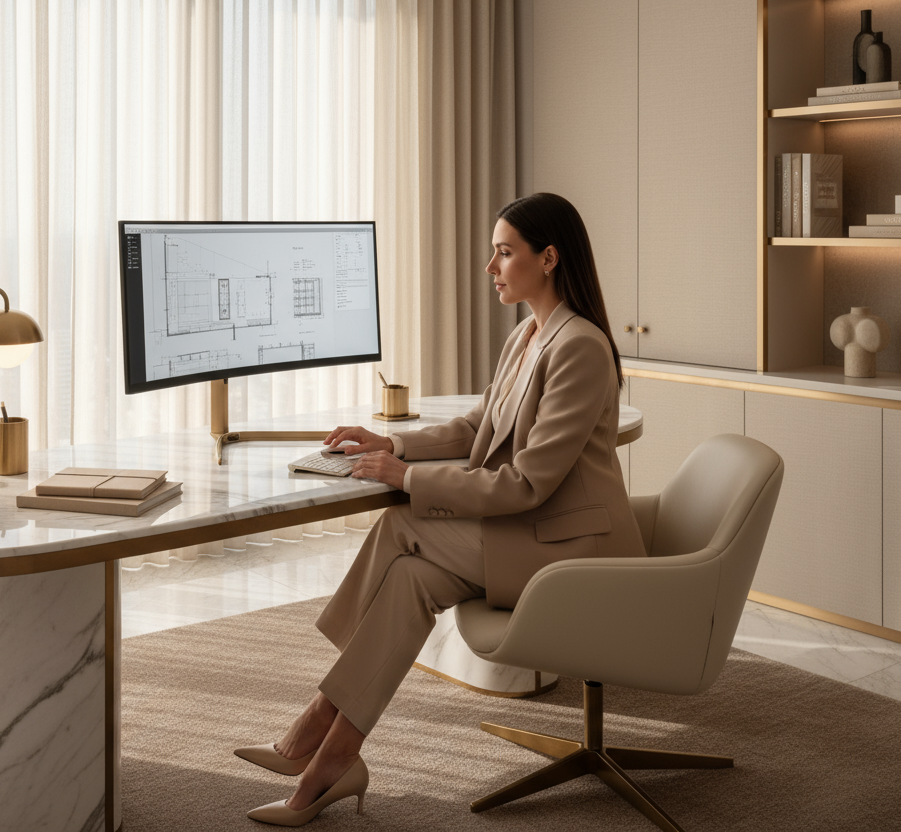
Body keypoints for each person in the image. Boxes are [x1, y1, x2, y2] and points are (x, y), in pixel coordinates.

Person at [234, 192, 647, 826]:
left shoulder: (579, 348)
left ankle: (316, 724)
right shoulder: (529, 335)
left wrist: (407, 479)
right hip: (530, 533)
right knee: (408, 580)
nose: (491, 266)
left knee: (401, 520)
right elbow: (475, 428)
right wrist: (391, 442)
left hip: (571, 546)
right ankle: (336, 757)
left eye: (504, 252)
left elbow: (525, 485)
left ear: (549, 258)